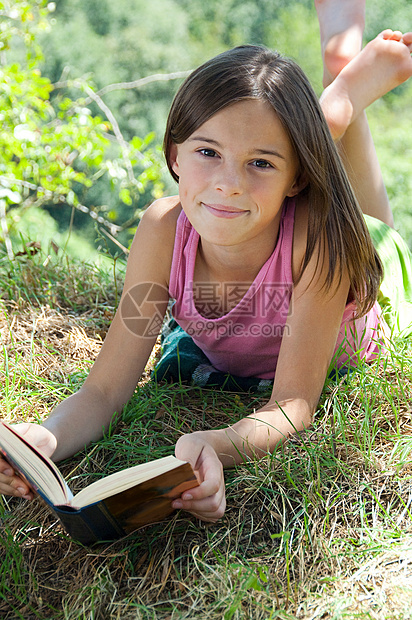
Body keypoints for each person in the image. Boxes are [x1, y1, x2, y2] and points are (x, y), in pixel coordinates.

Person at [1, 24, 412, 523]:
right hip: (293, 199)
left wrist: (218, 443)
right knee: (290, 146)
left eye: (260, 163)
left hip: (370, 279)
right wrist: (46, 437)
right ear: (175, 153)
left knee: (373, 229)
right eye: (208, 153)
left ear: (293, 180)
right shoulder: (162, 229)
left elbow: (292, 404)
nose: (228, 185)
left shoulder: (317, 242)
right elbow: (105, 390)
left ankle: (341, 102)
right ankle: (331, 102)